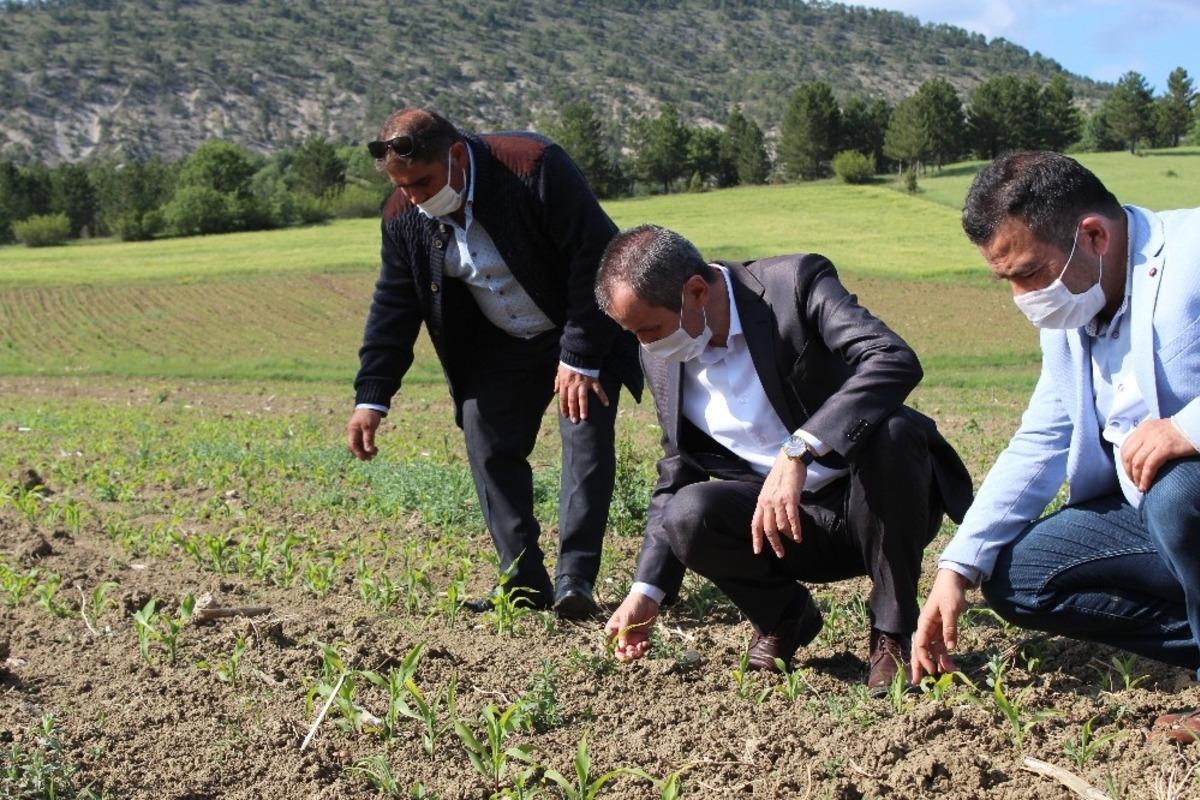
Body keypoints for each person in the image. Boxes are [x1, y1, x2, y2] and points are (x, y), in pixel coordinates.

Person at [595, 225, 972, 692]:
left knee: (893, 432)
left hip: (877, 503)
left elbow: (891, 357)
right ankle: (785, 617)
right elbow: (679, 468)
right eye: (635, 334)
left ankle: (891, 633)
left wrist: (800, 449)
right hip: (785, 528)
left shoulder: (793, 284)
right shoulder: (660, 354)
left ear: (695, 291)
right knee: (686, 511)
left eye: (649, 329)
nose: (645, 345)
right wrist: (645, 592)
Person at [911, 151, 1200, 741]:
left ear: (1092, 235)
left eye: (1029, 273)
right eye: (1007, 280)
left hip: (1185, 497)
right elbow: (1042, 438)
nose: (1023, 297)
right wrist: (956, 567)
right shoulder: (1073, 314)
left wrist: (1188, 427)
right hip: (1145, 510)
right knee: (1020, 577)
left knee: (1178, 492)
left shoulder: (1193, 252)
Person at [346, 109, 642, 619]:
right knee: (486, 438)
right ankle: (524, 584)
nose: (414, 195)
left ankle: (576, 581)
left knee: (584, 433)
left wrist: (579, 356)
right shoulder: (402, 216)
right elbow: (395, 306)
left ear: (457, 155)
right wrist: (372, 396)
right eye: (403, 185)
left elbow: (594, 254)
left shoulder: (534, 166)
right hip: (501, 343)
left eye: (423, 181)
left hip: (578, 323)